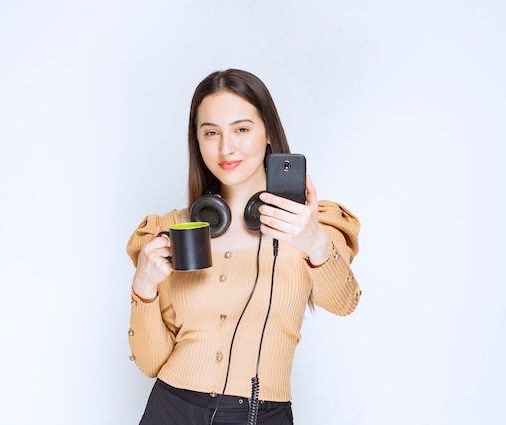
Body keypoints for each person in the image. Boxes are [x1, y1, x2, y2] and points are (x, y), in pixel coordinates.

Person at [126, 69, 361, 425]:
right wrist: (143, 288)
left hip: (263, 415)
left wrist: (314, 242)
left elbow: (344, 304)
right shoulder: (168, 230)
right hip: (171, 410)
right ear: (197, 141)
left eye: (241, 129)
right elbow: (150, 363)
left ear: (267, 131)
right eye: (210, 133)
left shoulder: (312, 222)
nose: (225, 148)